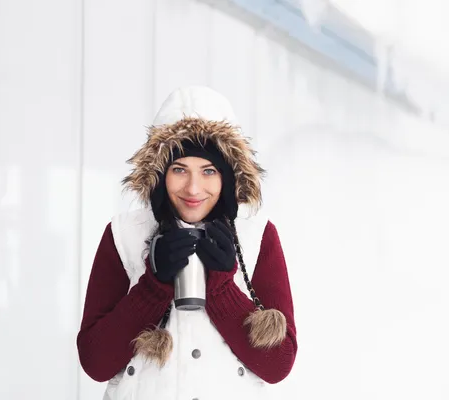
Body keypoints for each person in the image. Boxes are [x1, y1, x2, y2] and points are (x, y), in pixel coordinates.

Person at [77, 86, 297, 399]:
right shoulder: (124, 234)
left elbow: (279, 365)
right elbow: (95, 362)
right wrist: (153, 287)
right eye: (179, 169)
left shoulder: (258, 237)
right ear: (158, 174)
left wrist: (222, 288)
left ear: (228, 176)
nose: (193, 188)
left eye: (208, 171)